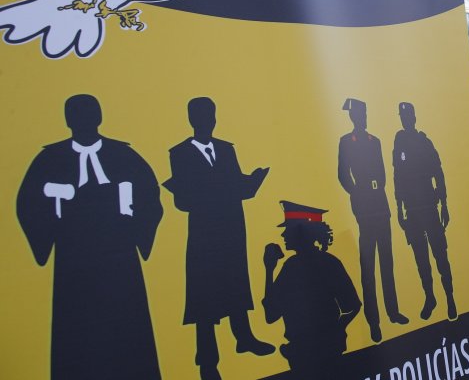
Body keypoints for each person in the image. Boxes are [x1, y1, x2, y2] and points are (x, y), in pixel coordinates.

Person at [16, 94, 164, 380]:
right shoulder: (51, 158)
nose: (83, 121)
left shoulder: (122, 155)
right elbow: (28, 203)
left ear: (98, 118)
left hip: (120, 257)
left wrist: (137, 232)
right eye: (77, 116)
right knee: (77, 329)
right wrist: (56, 207)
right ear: (69, 121)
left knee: (127, 328)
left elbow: (149, 196)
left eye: (88, 115)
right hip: (74, 259)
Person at [164, 97, 274, 380]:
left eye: (211, 115)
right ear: (193, 119)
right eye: (203, 116)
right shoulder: (179, 153)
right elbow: (182, 201)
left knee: (236, 281)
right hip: (204, 234)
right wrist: (212, 192)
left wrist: (254, 181)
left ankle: (244, 338)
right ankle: (207, 360)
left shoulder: (226, 149)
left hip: (232, 228)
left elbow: (239, 187)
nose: (209, 121)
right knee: (204, 293)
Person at [262, 200, 361, 377]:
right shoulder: (301, 266)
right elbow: (271, 314)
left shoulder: (301, 266)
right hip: (304, 353)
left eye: (288, 229)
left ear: (302, 233)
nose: (284, 234)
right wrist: (269, 269)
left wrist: (333, 330)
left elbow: (353, 305)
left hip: (318, 355)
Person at [337, 98, 407, 343]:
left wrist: (376, 189)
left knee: (387, 262)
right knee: (368, 265)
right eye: (359, 114)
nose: (363, 118)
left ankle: (393, 311)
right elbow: (343, 174)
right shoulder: (346, 142)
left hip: (381, 205)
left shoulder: (374, 141)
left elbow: (383, 173)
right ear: (353, 117)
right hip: (364, 207)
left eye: (365, 113)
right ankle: (373, 321)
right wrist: (358, 191)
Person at [392, 101, 457, 321]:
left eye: (408, 115)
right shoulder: (398, 141)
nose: (405, 119)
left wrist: (445, 204)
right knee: (421, 259)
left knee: (440, 255)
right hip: (412, 211)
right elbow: (397, 177)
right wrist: (399, 209)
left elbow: (438, 173)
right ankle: (430, 297)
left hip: (430, 208)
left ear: (414, 117)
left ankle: (450, 298)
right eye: (402, 116)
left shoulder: (424, 141)